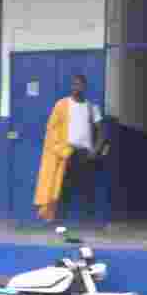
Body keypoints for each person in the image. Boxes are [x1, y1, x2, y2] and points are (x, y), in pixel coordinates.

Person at [33, 74, 106, 224]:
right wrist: (60, 150)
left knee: (86, 188)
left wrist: (96, 150)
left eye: (79, 85)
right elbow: (51, 130)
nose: (76, 88)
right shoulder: (61, 105)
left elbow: (102, 131)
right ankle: (59, 221)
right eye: (74, 85)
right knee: (62, 188)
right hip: (66, 153)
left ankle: (87, 222)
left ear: (84, 87)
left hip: (85, 154)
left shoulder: (92, 107)